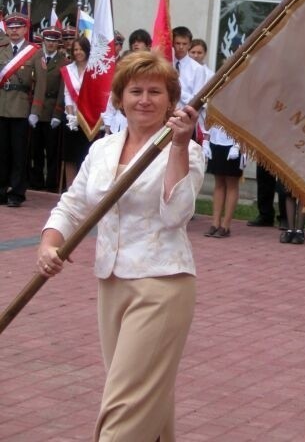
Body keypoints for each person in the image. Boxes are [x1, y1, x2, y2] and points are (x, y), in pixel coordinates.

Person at [37, 50, 204, 441]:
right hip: (111, 283)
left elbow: (177, 213)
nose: (144, 99)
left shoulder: (186, 150)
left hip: (162, 284)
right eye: (135, 91)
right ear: (119, 99)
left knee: (126, 404)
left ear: (172, 101)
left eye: (155, 92)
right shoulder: (102, 149)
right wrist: (49, 243)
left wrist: (178, 146)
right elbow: (74, 203)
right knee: (146, 398)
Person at [0, 12, 46, 207]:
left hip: (21, 108)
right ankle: (1, 190)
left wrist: (35, 111)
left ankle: (17, 193)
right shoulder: (1, 51)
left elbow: (41, 84)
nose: (14, 31)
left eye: (18, 27)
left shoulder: (34, 52)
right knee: (1, 152)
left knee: (19, 153)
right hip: (2, 106)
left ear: (26, 29)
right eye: (11, 28)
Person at [29, 26, 67, 192]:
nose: (51, 44)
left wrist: (58, 113)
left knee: (52, 151)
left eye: (54, 41)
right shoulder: (36, 57)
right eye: (48, 40)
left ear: (58, 43)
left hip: (52, 108)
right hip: (36, 109)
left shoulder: (63, 61)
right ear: (43, 41)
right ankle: (36, 182)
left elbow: (62, 89)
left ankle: (51, 183)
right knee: (35, 150)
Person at [60, 36, 92, 187]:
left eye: (81, 49)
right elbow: (67, 94)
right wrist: (70, 115)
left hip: (89, 118)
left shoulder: (93, 69)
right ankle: (70, 188)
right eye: (76, 49)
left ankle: (84, 188)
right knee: (70, 155)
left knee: (86, 155)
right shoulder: (69, 69)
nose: (78, 52)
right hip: (72, 118)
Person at [203, 127, 244, 238]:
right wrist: (206, 141)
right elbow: (209, 120)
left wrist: (238, 145)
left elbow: (245, 123)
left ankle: (226, 225)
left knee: (231, 184)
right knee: (219, 183)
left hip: (233, 143)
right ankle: (215, 223)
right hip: (216, 141)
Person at [172, 26, 205, 108]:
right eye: (178, 43)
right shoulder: (166, 64)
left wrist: (177, 91)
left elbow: (197, 99)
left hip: (185, 115)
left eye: (184, 44)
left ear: (190, 45)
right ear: (172, 43)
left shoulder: (198, 69)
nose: (181, 47)